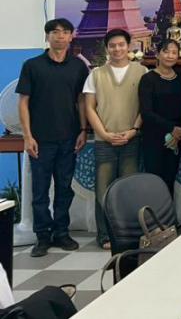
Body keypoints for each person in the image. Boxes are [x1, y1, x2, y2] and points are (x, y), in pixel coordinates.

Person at [16, 18, 89, 257]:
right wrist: (27, 136)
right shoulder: (32, 65)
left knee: (64, 188)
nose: (60, 36)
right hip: (40, 139)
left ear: (71, 36)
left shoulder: (78, 67)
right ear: (47, 36)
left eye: (65, 32)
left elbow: (81, 100)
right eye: (55, 32)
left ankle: (61, 232)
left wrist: (83, 129)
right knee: (40, 191)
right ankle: (42, 236)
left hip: (69, 137)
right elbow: (23, 102)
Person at [84, 28, 147, 248]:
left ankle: (129, 234)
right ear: (107, 48)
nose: (117, 49)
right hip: (104, 141)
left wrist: (134, 130)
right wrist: (104, 134)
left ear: (129, 46)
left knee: (129, 189)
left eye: (121, 44)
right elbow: (89, 108)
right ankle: (105, 235)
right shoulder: (96, 74)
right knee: (104, 190)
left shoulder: (141, 71)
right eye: (112, 45)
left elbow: (146, 106)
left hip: (131, 139)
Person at [138, 38, 181, 196]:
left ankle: (168, 213)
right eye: (166, 52)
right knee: (154, 182)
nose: (170, 56)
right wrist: (172, 128)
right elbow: (146, 112)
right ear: (158, 54)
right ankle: (153, 212)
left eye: (174, 52)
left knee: (169, 181)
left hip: (177, 138)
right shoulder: (148, 79)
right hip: (154, 137)